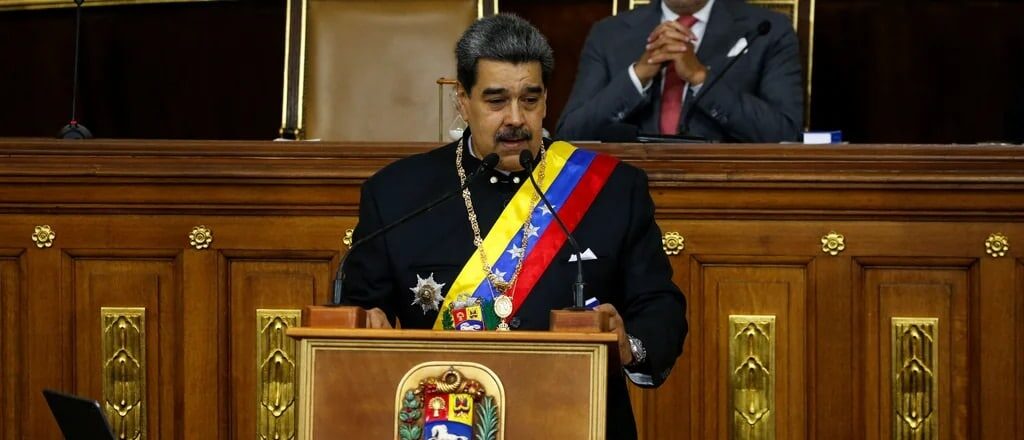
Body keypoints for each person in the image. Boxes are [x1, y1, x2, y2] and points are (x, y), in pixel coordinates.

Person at [341, 14, 686, 440]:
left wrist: (629, 345)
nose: (516, 119)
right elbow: (354, 314)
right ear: (462, 101)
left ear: (546, 103)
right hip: (446, 425)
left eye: (529, 100)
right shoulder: (397, 195)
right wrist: (362, 327)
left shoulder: (610, 189)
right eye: (496, 100)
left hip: (579, 421)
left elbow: (660, 308)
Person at [556, 0, 803, 142]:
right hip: (629, 191)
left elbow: (786, 133)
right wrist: (638, 75)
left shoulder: (769, 30)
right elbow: (570, 134)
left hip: (728, 192)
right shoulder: (609, 33)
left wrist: (700, 78)